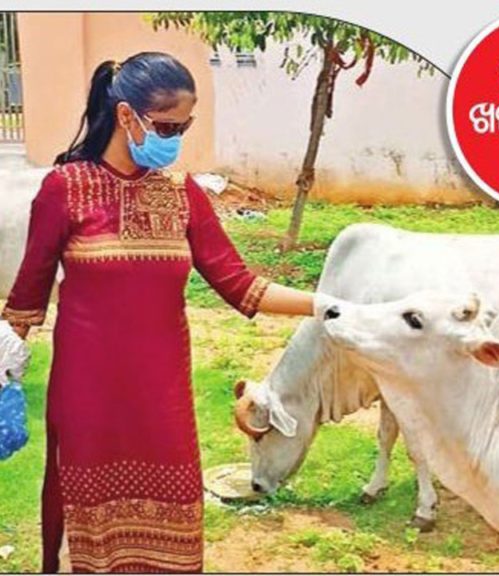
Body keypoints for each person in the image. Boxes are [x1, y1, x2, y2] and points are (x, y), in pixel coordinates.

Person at [0, 52, 329, 572]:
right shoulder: (66, 191)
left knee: (171, 540)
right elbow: (25, 301)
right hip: (88, 402)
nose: (176, 138)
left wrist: (330, 306)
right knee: (91, 539)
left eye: (185, 125)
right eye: (168, 126)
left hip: (163, 405)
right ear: (127, 116)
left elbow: (240, 286)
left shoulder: (182, 195)